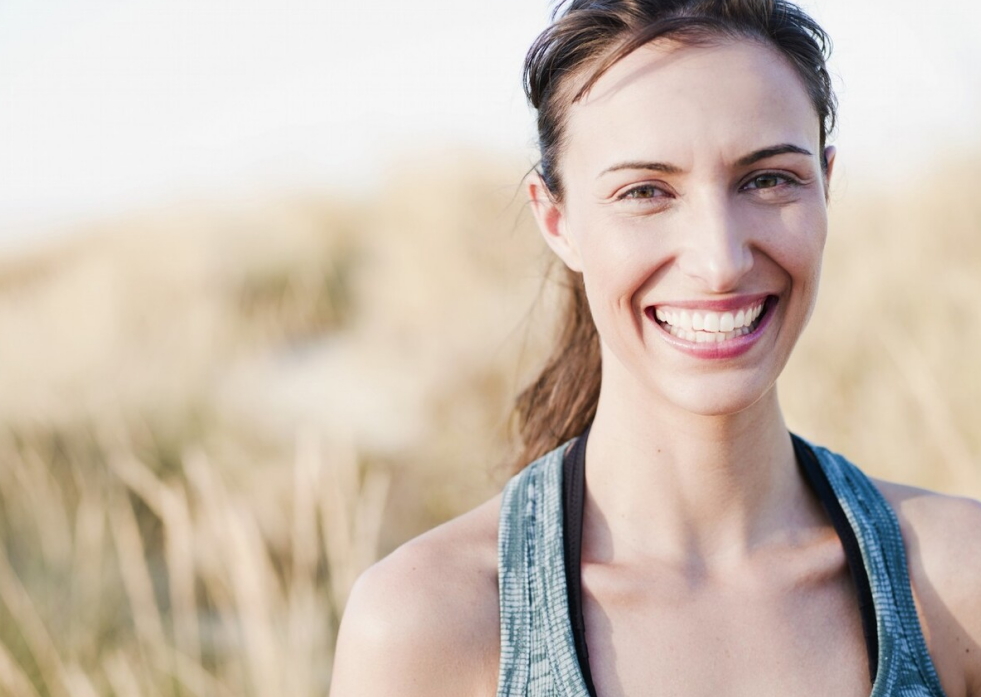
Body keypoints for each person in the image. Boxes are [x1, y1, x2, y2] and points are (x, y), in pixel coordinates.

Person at [329, 0, 981, 694]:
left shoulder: (956, 578)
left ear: (824, 183)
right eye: (645, 190)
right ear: (556, 219)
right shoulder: (428, 621)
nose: (720, 259)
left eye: (766, 179)